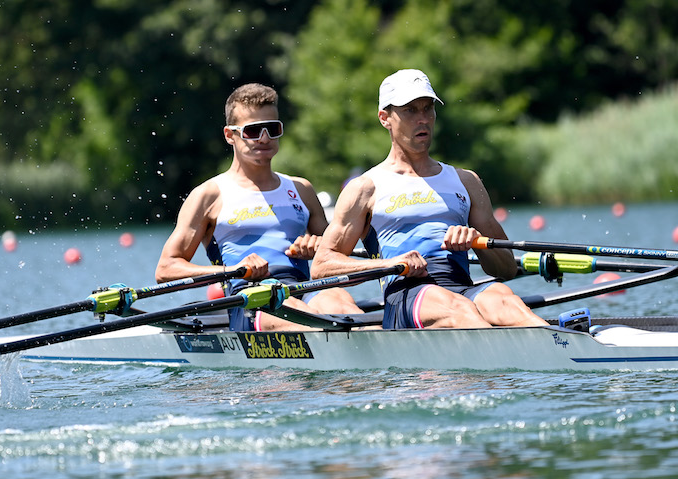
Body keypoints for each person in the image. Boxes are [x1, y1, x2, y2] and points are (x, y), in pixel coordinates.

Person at [310, 69, 548, 329]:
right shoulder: (365, 188)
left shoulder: (466, 181)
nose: (422, 119)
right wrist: (388, 264)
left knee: (504, 300)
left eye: (428, 109)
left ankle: (557, 345)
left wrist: (476, 243)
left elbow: (507, 269)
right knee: (458, 308)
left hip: (462, 289)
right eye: (410, 110)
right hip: (407, 295)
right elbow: (321, 266)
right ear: (385, 118)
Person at [155, 83, 362, 331]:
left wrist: (316, 247)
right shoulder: (208, 195)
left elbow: (332, 257)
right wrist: (233, 270)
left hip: (304, 289)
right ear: (230, 135)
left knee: (342, 304)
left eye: (272, 129)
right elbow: (166, 268)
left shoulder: (301, 189)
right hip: (251, 298)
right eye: (253, 131)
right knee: (305, 317)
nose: (264, 138)